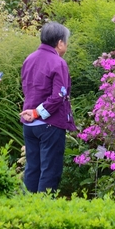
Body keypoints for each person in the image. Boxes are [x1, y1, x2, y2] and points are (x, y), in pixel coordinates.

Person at [19, 22, 76, 193]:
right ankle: (44, 213)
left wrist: (33, 113)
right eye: (66, 42)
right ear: (59, 43)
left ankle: (27, 209)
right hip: (49, 124)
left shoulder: (29, 59)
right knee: (49, 171)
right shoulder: (58, 62)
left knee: (32, 168)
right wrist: (38, 113)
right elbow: (59, 95)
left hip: (29, 125)